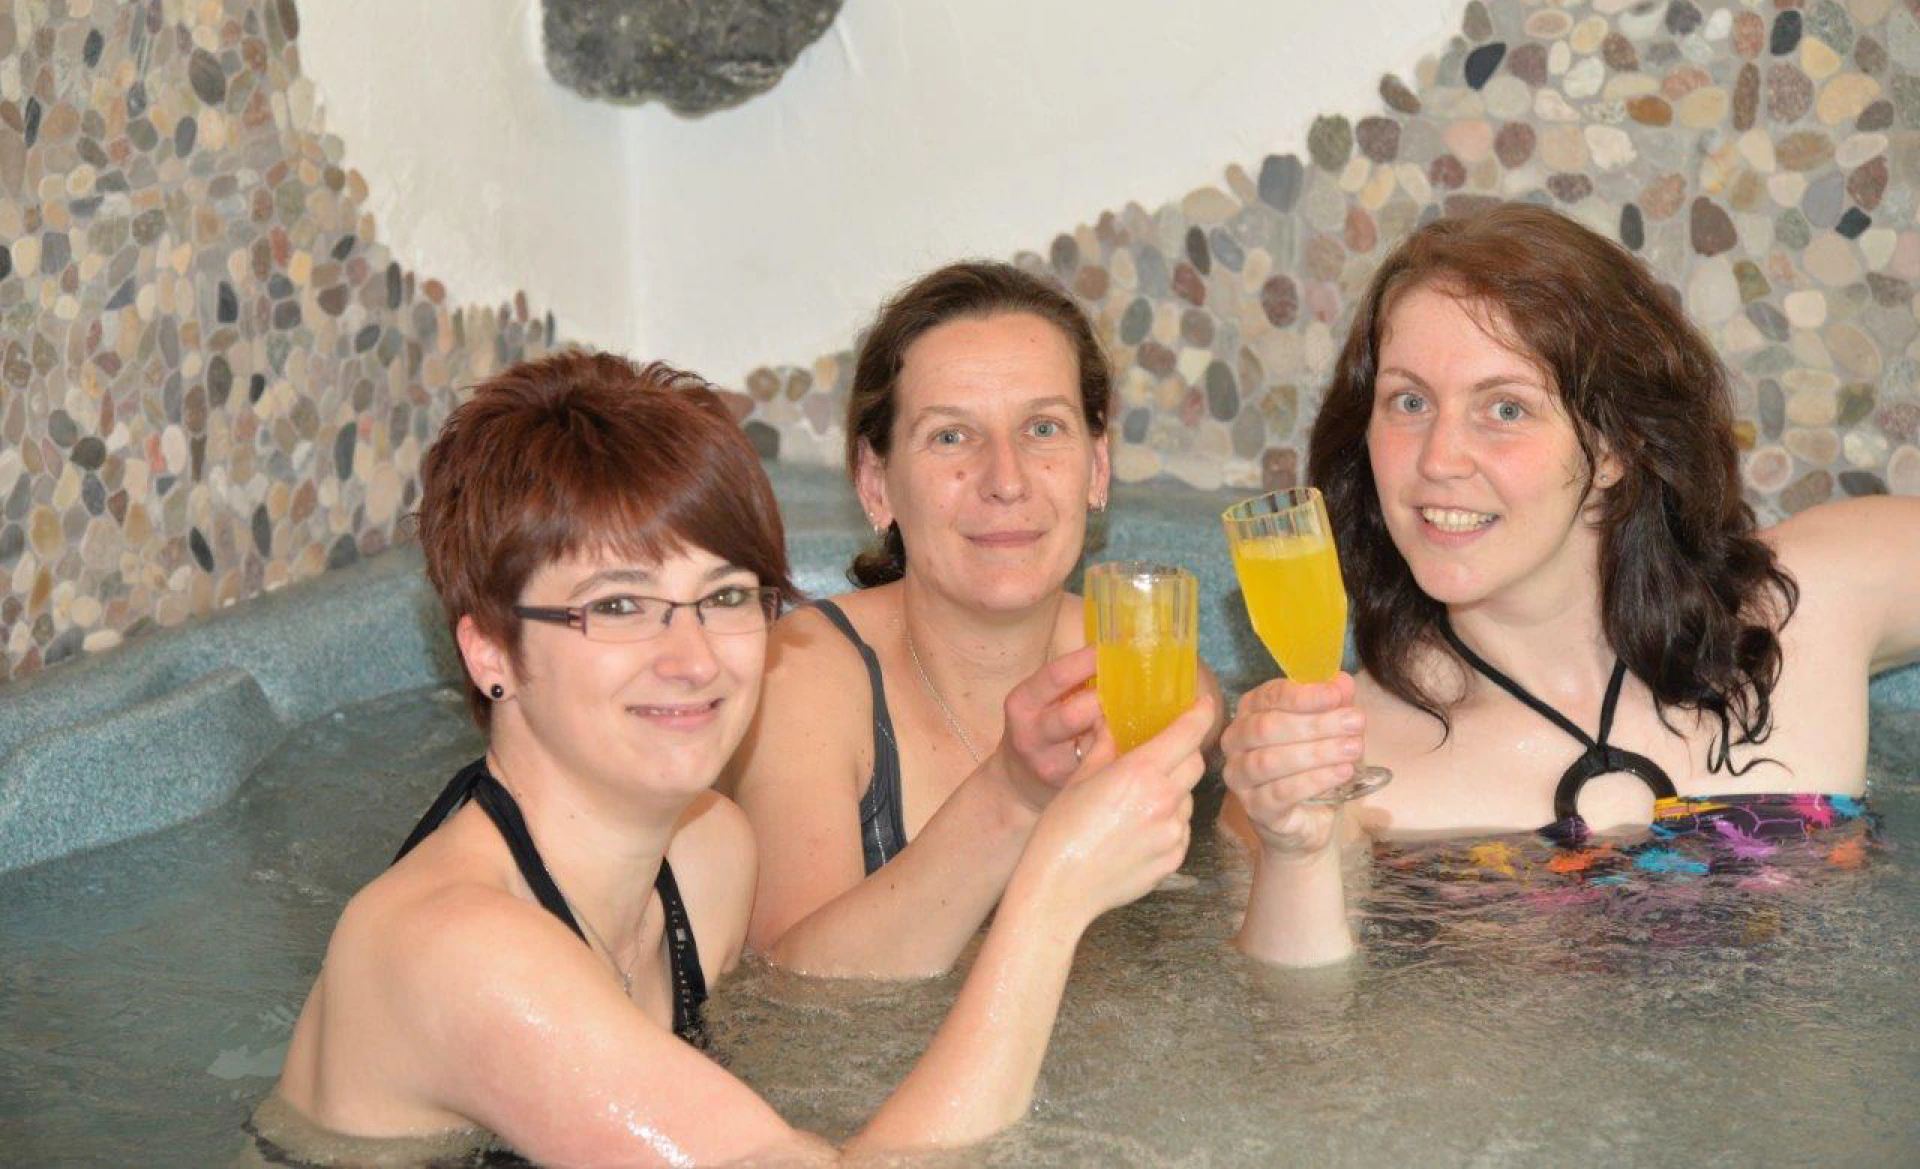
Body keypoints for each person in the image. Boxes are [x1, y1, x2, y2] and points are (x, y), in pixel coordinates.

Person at [250, 350, 1213, 1163]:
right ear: (491, 650)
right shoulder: (454, 950)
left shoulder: (706, 856)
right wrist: (1051, 896)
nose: (694, 658)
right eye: (618, 605)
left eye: (723, 596)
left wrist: (1026, 806)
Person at [1221, 203, 1920, 966]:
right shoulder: (1327, 762)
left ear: (1615, 446)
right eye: (1409, 402)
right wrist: (1296, 852)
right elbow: (1297, 1025)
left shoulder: (1817, 601)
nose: (1438, 458)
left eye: (1506, 408)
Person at [725, 262, 1223, 978]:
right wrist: (1010, 796)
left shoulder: (1155, 677)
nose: (1006, 480)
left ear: (1097, 467)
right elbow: (793, 994)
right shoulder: (801, 677)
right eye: (952, 437)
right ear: (875, 482)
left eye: (1043, 428)